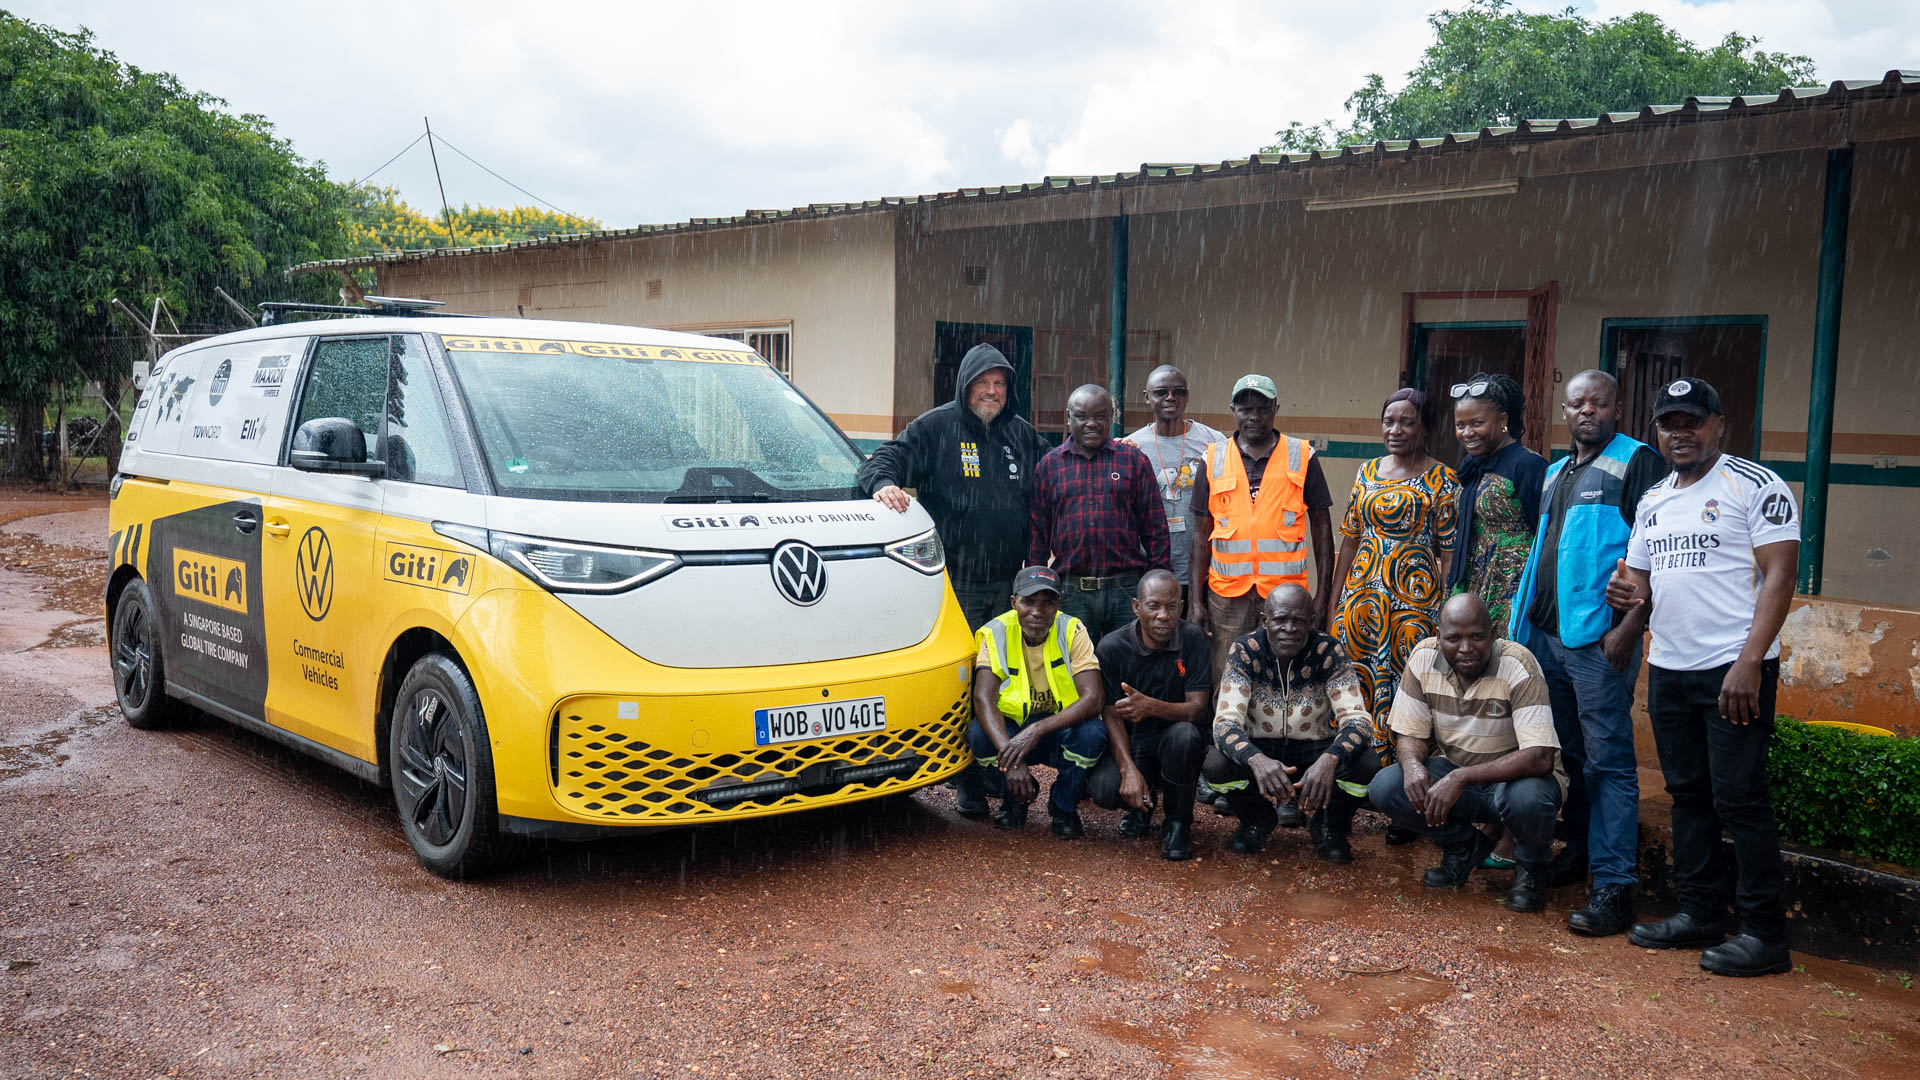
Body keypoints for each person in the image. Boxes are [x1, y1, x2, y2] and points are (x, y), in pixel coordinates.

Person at [1607, 377, 1799, 977]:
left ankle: (1764, 935)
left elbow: (1780, 575)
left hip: (1733, 669)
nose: (1680, 433)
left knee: (1740, 799)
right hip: (1669, 669)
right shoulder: (1654, 498)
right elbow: (1640, 582)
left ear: (1719, 425)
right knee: (1688, 795)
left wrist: (1749, 661)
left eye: (1692, 421)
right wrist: (1625, 604)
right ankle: (1698, 913)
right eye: (1669, 423)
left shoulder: (1755, 485)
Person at [1510, 370, 1669, 937]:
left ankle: (1614, 887)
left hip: (1599, 642)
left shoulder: (1638, 462)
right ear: (1564, 411)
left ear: (1616, 409)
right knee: (1571, 756)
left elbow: (1658, 554)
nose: (1586, 412)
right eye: (1576, 404)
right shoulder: (1556, 471)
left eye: (1597, 403)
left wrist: (1630, 627)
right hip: (1549, 638)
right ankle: (1578, 852)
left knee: (1609, 764)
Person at [1367, 594, 1566, 913]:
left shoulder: (1518, 664)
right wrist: (1413, 765)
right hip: (1460, 776)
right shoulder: (1423, 657)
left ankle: (1531, 870)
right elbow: (1410, 735)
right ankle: (1463, 848)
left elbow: (1540, 756)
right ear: (1439, 636)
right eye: (1453, 638)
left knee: (1528, 798)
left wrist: (1461, 777)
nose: (1465, 648)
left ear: (1493, 634)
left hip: (1516, 781)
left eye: (1476, 637)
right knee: (1386, 786)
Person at [861, 343, 1051, 629]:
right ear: (965, 385)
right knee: (962, 655)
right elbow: (885, 459)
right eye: (982, 382)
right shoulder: (935, 427)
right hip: (954, 582)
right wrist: (883, 483)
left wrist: (1108, 451)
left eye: (999, 383)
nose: (991, 391)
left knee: (1001, 655)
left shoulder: (1021, 432)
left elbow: (1057, 467)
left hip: (1009, 585)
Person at [1327, 388, 1460, 765]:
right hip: (1361, 599)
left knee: (1409, 680)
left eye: (1407, 422)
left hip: (1414, 604)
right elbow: (1350, 539)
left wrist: (1448, 610)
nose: (1395, 430)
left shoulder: (1443, 478)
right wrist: (1334, 601)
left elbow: (1449, 553)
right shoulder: (1367, 471)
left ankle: (1403, 769)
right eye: (1389, 422)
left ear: (1425, 428)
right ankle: (1353, 764)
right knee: (1354, 677)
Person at [1204, 585, 1380, 862]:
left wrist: (1330, 759)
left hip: (1314, 751)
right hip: (1261, 748)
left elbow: (1358, 722)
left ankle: (1330, 825)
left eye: (1298, 620)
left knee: (1367, 763)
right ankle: (1256, 818)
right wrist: (1255, 759)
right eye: (1280, 619)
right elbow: (1224, 724)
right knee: (1215, 764)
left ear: (1312, 621)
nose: (1289, 628)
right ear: (1265, 620)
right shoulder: (1245, 650)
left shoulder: (1329, 651)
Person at [1187, 373, 1335, 695]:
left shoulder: (1303, 456)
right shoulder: (1212, 459)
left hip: (1287, 597)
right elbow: (1200, 534)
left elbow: (1322, 530)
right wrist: (1196, 602)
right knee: (1228, 680)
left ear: (1276, 409)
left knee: (1287, 681)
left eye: (1263, 408)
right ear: (1233, 411)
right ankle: (1227, 728)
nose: (1254, 416)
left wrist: (1322, 598)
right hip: (1227, 600)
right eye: (1246, 409)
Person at [969, 566, 1108, 838]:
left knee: (1092, 733)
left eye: (1047, 603)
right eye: (1029, 602)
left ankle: (1063, 806)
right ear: (1014, 603)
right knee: (978, 735)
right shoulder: (996, 632)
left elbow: (1094, 698)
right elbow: (983, 698)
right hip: (1012, 730)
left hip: (1057, 729)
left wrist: (1037, 730)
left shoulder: (1072, 629)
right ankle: (1016, 798)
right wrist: (1011, 760)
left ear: (1058, 605)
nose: (1037, 611)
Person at [1027, 385, 1171, 642]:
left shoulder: (1134, 461)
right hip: (1071, 591)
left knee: (1129, 660)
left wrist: (1158, 583)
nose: (1091, 423)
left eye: (1100, 416)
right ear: (1068, 418)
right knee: (1074, 662)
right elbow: (1038, 534)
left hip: (1126, 590)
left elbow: (1155, 529)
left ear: (1111, 417)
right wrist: (1036, 587)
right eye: (1082, 416)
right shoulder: (1049, 466)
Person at [1085, 570, 1213, 860]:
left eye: (1171, 607)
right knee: (1104, 788)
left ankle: (1178, 821)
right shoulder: (1112, 647)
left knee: (1186, 736)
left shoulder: (1193, 639)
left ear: (1181, 607)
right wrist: (1127, 769)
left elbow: (1197, 709)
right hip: (1134, 743)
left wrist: (1150, 706)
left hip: (1174, 741)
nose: (1163, 616)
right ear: (1136, 607)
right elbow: (1111, 715)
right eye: (1153, 606)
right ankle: (1141, 806)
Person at [1447, 373, 1547, 635]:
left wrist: (1540, 593)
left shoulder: (1528, 464)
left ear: (1502, 421)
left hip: (1512, 586)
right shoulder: (1470, 464)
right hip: (1473, 579)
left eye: (1477, 423)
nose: (1467, 433)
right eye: (1460, 425)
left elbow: (1547, 534)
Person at [1123, 365, 1227, 600]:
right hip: (1149, 573)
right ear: (1146, 397)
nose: (1170, 397)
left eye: (1178, 391)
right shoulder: (1131, 447)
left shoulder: (1214, 442)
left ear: (1187, 396)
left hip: (1205, 572)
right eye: (1161, 392)